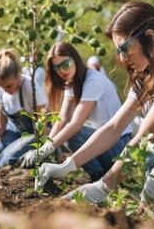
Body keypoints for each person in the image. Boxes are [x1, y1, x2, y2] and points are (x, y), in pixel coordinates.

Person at [36, 1, 154, 216]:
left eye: (125, 48)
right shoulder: (152, 67)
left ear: (150, 37)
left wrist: (103, 186)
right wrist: (68, 165)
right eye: (119, 51)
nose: (123, 59)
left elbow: (151, 136)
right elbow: (115, 126)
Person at [20, 42, 133, 182]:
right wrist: (44, 147)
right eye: (57, 68)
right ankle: (101, 176)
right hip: (105, 141)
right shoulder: (72, 82)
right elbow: (62, 118)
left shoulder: (93, 80)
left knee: (74, 133)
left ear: (75, 59)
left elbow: (76, 124)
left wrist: (47, 149)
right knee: (66, 132)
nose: (62, 71)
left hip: (119, 145)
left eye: (65, 64)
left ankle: (100, 177)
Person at [0, 48, 48, 168]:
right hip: (15, 132)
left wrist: (48, 148)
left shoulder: (30, 89)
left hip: (35, 134)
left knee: (6, 160)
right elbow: (0, 125)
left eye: (9, 86)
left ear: (17, 76)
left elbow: (41, 128)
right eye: (2, 86)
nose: (5, 90)